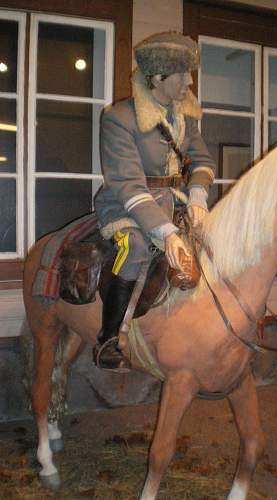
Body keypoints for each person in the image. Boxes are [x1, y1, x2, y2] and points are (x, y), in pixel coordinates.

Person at [93, 32, 215, 369]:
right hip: (126, 205)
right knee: (133, 247)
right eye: (182, 74)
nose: (189, 82)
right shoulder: (118, 118)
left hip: (175, 200)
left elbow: (203, 162)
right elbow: (129, 186)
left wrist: (198, 195)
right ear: (159, 77)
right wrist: (167, 234)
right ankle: (109, 339)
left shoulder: (185, 118)